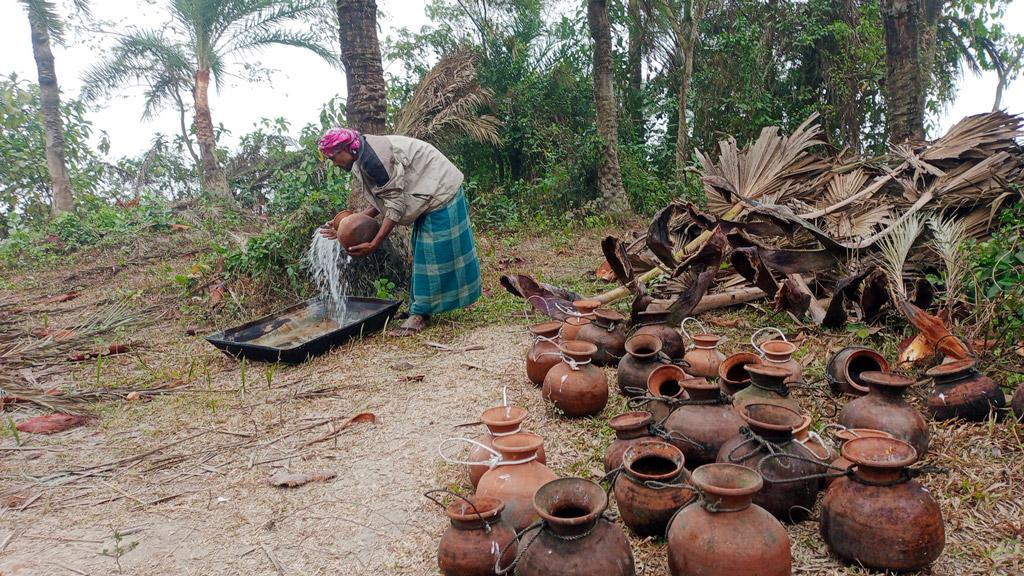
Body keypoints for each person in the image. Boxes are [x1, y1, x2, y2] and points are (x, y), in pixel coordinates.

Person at [317, 127, 481, 336]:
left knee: (432, 254)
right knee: (423, 252)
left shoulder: (373, 159)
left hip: (440, 187)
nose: (334, 163)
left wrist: (375, 242)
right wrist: (347, 224)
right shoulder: (361, 155)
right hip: (425, 187)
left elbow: (395, 204)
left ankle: (419, 316)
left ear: (344, 149)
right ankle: (420, 308)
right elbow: (385, 196)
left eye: (333, 157)